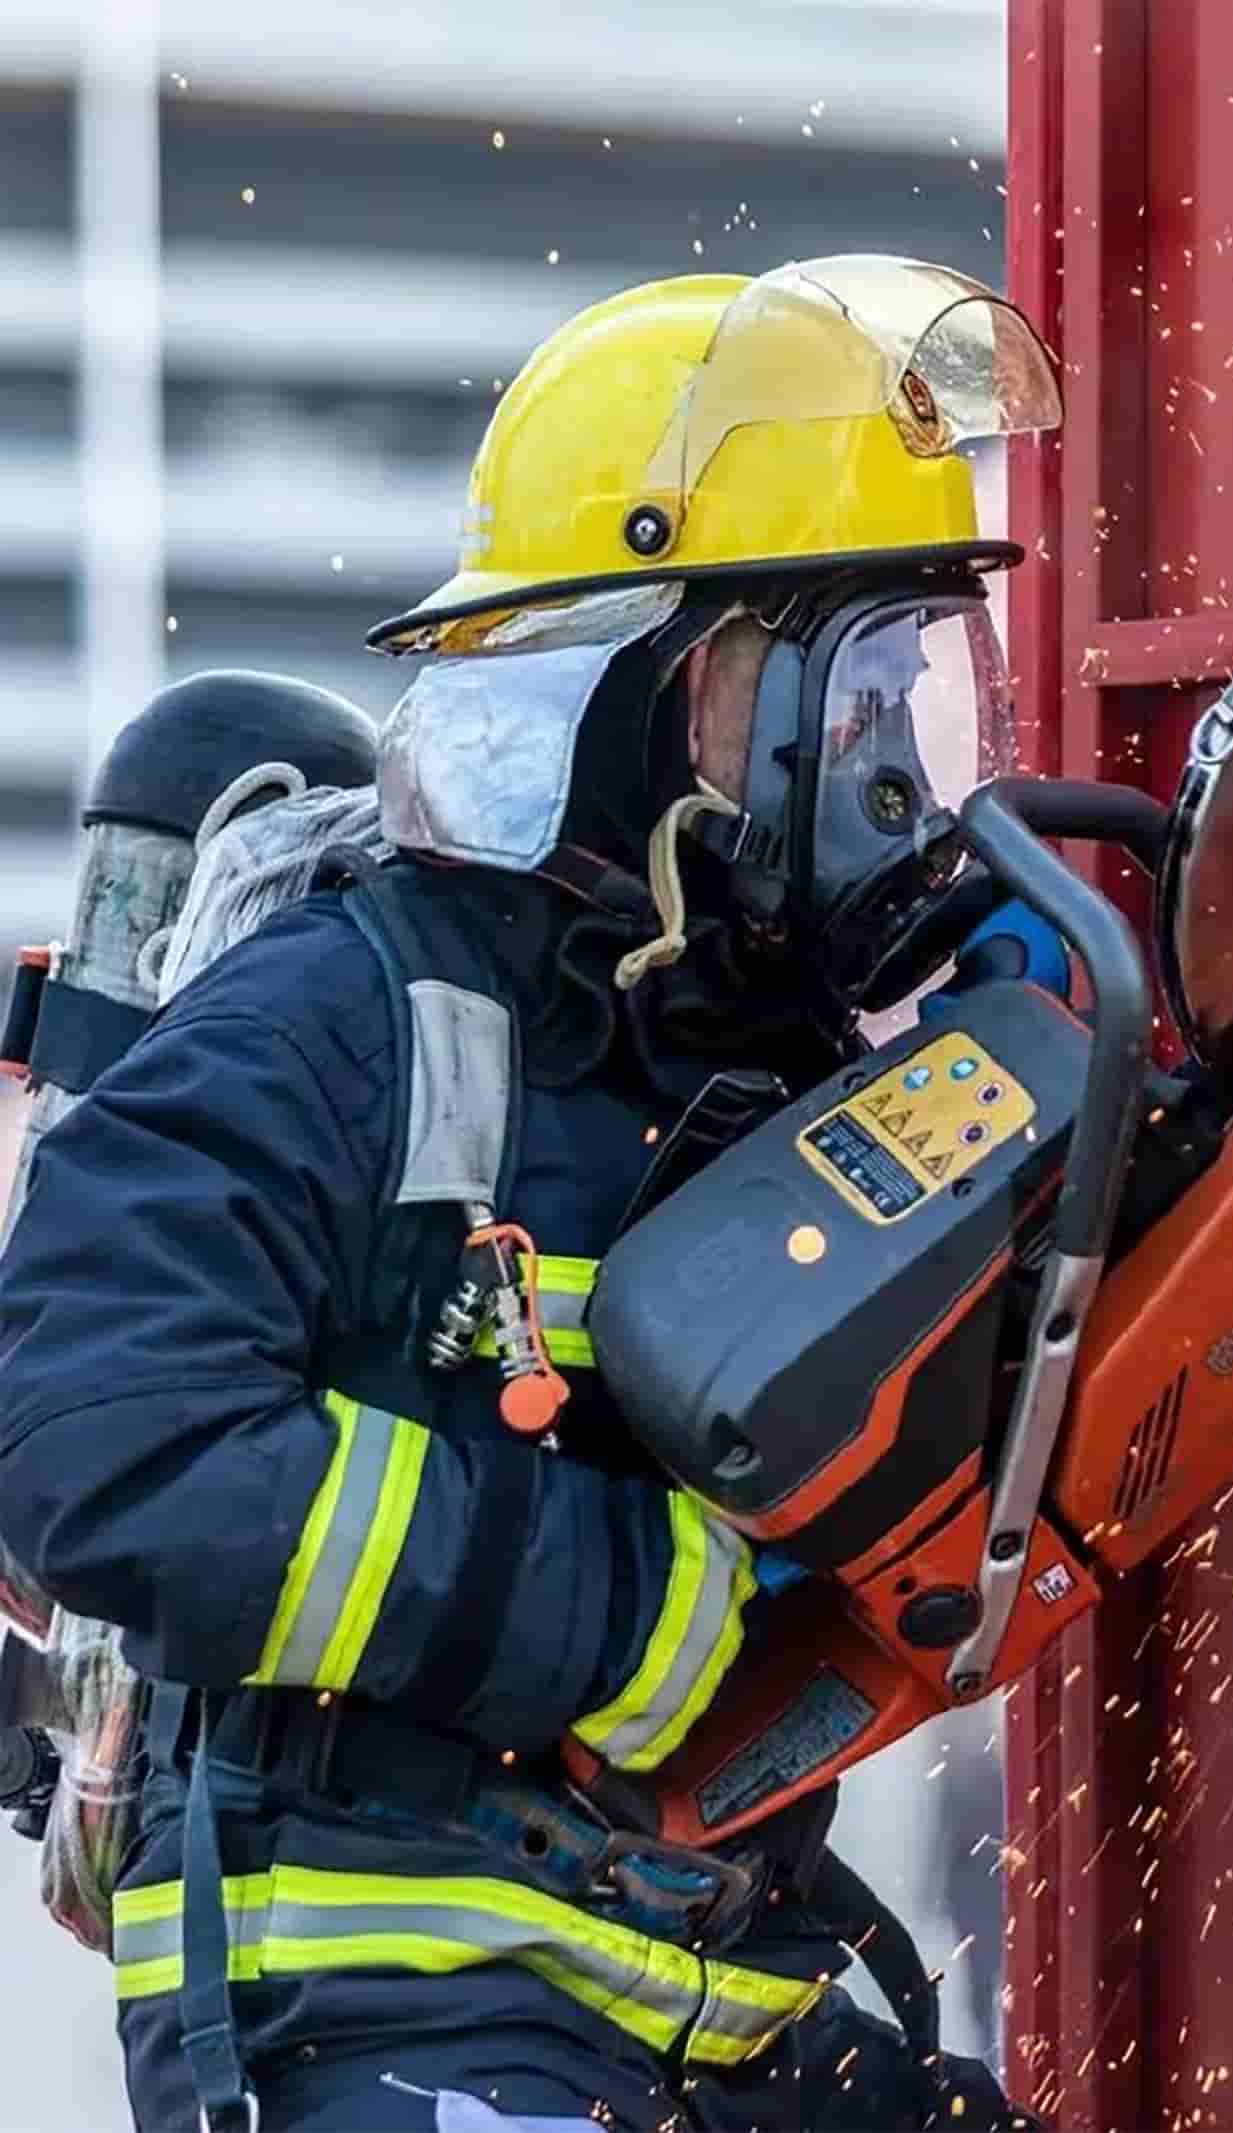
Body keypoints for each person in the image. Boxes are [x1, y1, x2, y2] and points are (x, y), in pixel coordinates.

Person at [0, 258, 1060, 2132]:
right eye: (847, 698)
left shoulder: (765, 1077)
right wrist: (626, 1613)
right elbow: (95, 1428)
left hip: (704, 2014)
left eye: (921, 693)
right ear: (651, 690)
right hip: (382, 1999)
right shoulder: (345, 1017)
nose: (898, 777)